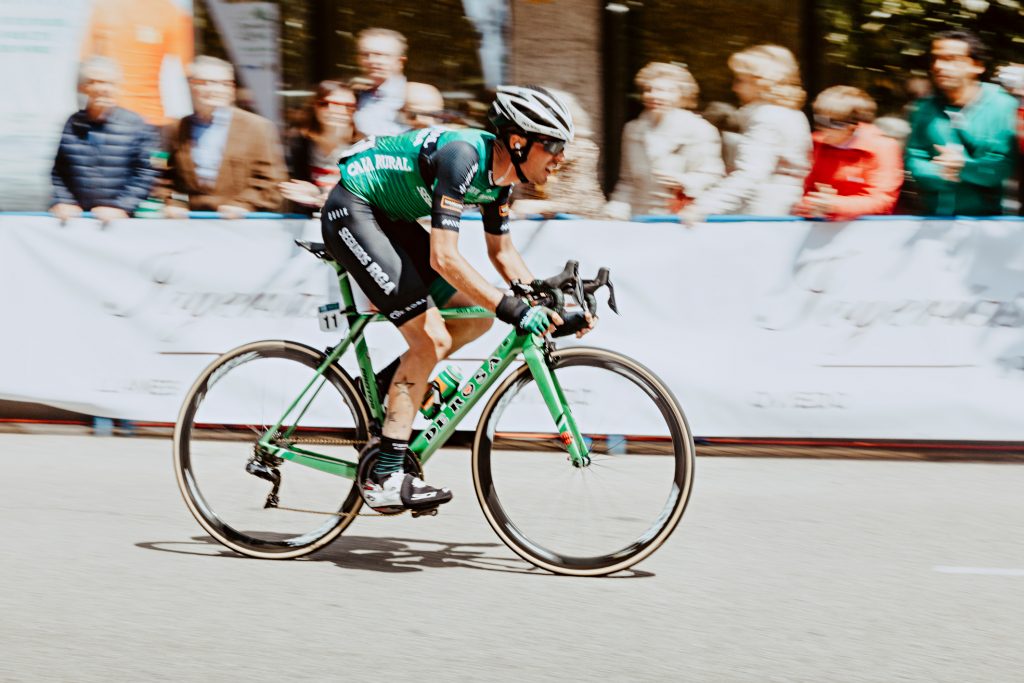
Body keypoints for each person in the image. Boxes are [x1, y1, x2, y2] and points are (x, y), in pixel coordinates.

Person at [320, 85, 592, 511]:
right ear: (518, 142)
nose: (560, 157)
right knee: (432, 339)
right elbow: (445, 257)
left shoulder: (502, 178)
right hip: (354, 211)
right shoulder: (463, 157)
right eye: (553, 145)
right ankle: (387, 477)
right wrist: (513, 309)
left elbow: (501, 253)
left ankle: (387, 386)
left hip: (391, 220)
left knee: (475, 319)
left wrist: (549, 302)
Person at [682, 45, 811, 224]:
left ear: (761, 83)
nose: (734, 87)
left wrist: (704, 206)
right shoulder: (792, 113)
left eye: (740, 80)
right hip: (784, 207)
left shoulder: (766, 117)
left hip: (762, 209)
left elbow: (751, 174)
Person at [159, 56, 287, 219]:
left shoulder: (257, 128)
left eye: (224, 84)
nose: (215, 89)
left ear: (232, 89)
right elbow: (167, 178)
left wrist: (243, 204)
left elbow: (272, 181)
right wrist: (174, 203)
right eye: (205, 82)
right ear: (191, 85)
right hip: (191, 225)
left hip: (241, 226)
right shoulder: (177, 129)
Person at [905, 30, 1018, 216]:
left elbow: (1002, 166)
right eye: (936, 59)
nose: (939, 66)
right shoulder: (923, 107)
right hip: (932, 221)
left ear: (977, 66)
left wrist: (964, 167)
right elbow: (914, 158)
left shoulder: (1003, 105)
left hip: (987, 223)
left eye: (951, 59)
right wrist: (941, 173)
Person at [605, 62, 724, 219]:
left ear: (681, 94)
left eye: (665, 91)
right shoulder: (633, 130)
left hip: (680, 218)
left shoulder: (700, 130)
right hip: (639, 217)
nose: (654, 95)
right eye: (649, 90)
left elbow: (712, 175)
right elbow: (627, 181)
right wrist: (615, 209)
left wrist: (685, 181)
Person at [50, 57, 159, 224]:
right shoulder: (72, 123)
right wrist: (65, 202)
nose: (103, 89)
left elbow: (146, 172)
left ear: (118, 87)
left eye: (110, 83)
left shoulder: (137, 124)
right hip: (78, 222)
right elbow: (59, 171)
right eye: (95, 82)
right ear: (83, 88)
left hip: (122, 223)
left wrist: (122, 207)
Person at [793, 86, 903, 221]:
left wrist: (835, 205)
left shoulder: (883, 147)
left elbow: (882, 200)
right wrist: (810, 205)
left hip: (866, 228)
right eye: (820, 120)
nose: (825, 129)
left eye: (834, 123)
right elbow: (803, 189)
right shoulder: (816, 142)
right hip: (820, 225)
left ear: (854, 125)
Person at [80, 0, 193, 125]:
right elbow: (85, 71)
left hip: (152, 120)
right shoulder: (103, 7)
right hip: (107, 117)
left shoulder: (173, 13)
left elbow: (180, 78)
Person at [511, 89, 606, 218]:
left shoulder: (582, 149)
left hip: (585, 224)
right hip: (544, 227)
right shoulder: (532, 148)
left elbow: (577, 201)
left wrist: (537, 206)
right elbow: (523, 196)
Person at [278, 81, 357, 211]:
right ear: (315, 107)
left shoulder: (363, 147)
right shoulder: (299, 144)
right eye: (326, 104)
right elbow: (290, 188)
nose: (339, 111)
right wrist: (313, 197)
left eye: (348, 106)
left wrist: (322, 195)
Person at [351, 28, 409, 138]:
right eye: (365, 55)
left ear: (400, 61)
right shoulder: (355, 96)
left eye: (379, 55)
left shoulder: (413, 97)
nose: (372, 61)